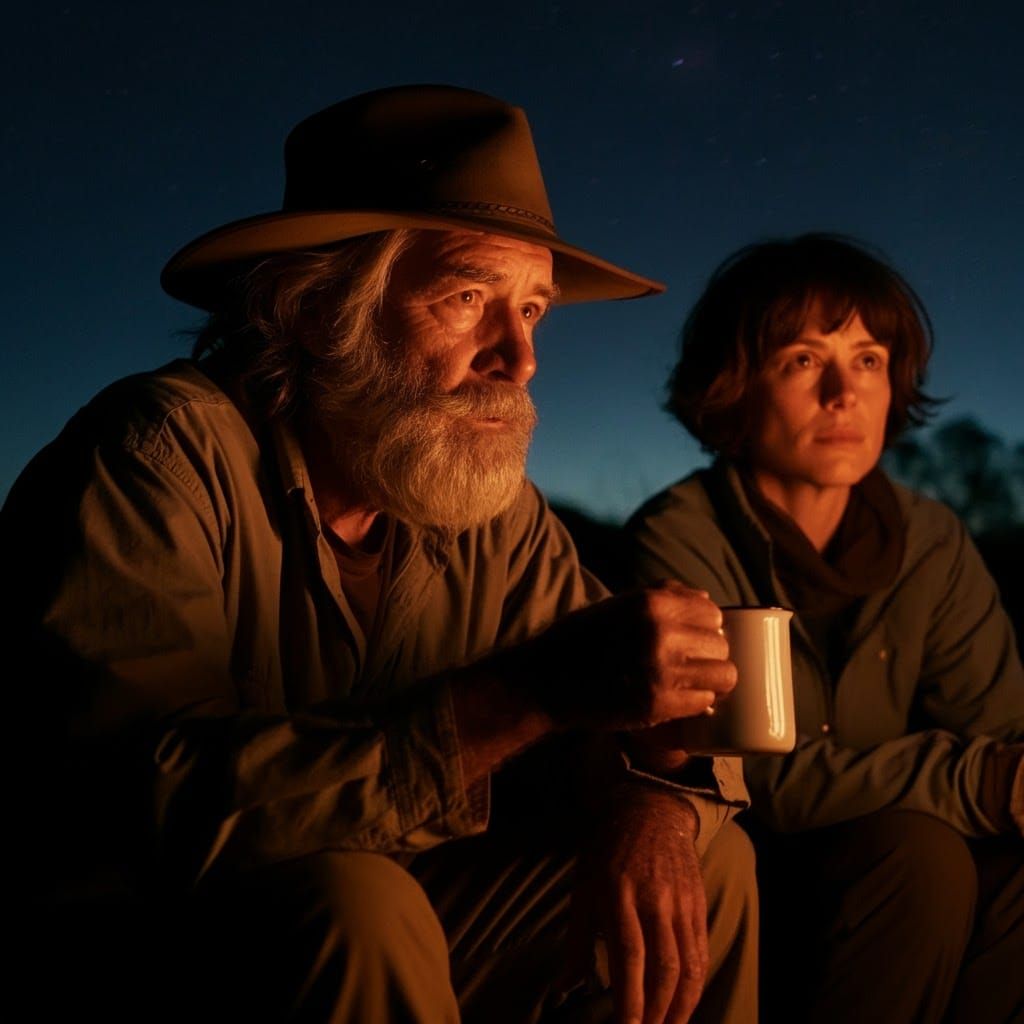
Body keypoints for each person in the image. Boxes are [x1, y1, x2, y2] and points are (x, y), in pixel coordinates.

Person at [7, 85, 757, 1024]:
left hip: (392, 918)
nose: (518, 358)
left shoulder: (482, 500)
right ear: (324, 310)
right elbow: (143, 801)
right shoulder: (157, 452)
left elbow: (633, 702)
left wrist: (653, 797)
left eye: (533, 311)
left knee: (701, 861)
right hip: (144, 945)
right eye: (467, 297)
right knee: (356, 900)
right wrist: (528, 692)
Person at [625, 234, 1024, 1023]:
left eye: (868, 360)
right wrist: (978, 782)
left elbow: (1001, 732)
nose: (844, 393)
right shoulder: (680, 539)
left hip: (909, 873)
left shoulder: (931, 540)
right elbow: (752, 780)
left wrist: (1003, 783)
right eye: (804, 360)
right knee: (923, 855)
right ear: (738, 386)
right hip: (755, 879)